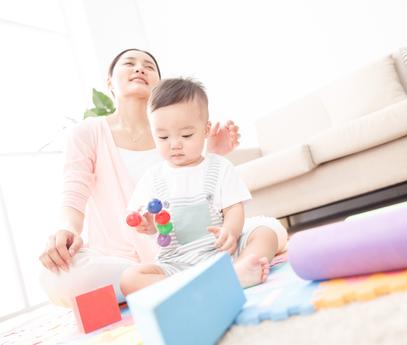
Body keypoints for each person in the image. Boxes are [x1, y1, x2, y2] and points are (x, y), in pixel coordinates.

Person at [39, 49, 288, 307]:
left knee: (268, 227)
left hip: (198, 249)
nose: (139, 68)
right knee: (55, 274)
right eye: (129, 63)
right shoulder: (87, 132)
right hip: (135, 261)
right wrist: (68, 230)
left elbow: (203, 191)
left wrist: (210, 151)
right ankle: (211, 279)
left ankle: (183, 285)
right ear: (110, 82)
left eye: (148, 65)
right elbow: (74, 192)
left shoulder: (179, 139)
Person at [120, 78, 285, 295]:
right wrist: (147, 226)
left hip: (223, 256)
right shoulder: (152, 178)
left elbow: (234, 208)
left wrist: (231, 231)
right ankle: (192, 286)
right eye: (163, 137)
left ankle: (238, 272)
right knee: (129, 279)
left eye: (186, 135)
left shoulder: (218, 167)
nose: (175, 144)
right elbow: (148, 225)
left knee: (266, 233)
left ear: (205, 130)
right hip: (176, 265)